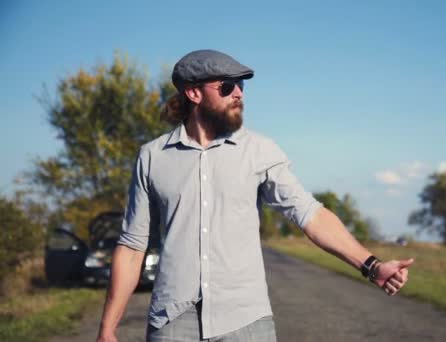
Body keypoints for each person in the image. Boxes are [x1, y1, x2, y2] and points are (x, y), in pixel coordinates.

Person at [96, 49, 414, 342]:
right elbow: (132, 247)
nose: (238, 93)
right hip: (173, 322)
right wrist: (108, 328)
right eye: (226, 86)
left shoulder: (259, 151)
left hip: (245, 322)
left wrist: (372, 266)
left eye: (241, 86)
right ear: (193, 93)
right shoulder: (152, 157)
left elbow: (310, 214)